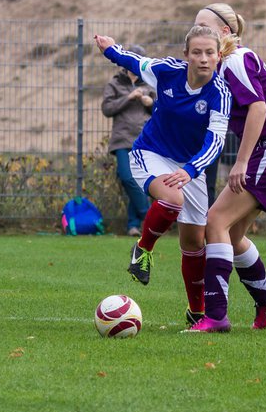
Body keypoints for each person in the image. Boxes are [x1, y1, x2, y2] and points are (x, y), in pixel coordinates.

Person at [93, 26, 231, 329]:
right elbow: (135, 63)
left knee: (195, 243)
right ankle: (142, 250)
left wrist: (191, 170)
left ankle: (197, 311)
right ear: (187, 55)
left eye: (210, 53)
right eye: (197, 52)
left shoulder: (220, 94)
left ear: (219, 56)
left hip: (189, 167)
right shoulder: (168, 71)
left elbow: (216, 141)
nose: (204, 59)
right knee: (172, 199)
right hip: (151, 153)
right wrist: (110, 50)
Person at [195, 3, 266, 332]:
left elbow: (258, 108)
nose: (197, 30)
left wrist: (241, 162)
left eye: (204, 25)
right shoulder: (227, 63)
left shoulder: (235, 61)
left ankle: (215, 316)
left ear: (226, 33)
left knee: (215, 220)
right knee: (234, 232)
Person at [101, 46, 155, 236]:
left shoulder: (151, 83)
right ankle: (148, 216)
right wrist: (128, 97)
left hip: (146, 141)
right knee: (127, 177)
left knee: (141, 182)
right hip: (122, 140)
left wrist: (151, 104)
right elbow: (107, 109)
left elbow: (163, 112)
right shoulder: (115, 83)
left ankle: (133, 225)